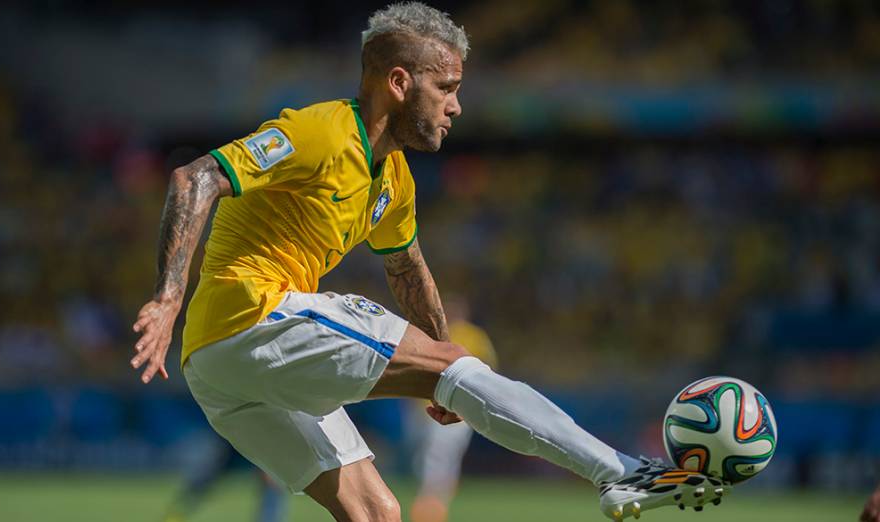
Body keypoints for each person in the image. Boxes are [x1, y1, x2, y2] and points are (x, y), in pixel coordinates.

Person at [130, 3, 729, 520]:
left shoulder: (393, 178)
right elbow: (195, 177)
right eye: (446, 88)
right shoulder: (319, 132)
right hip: (252, 317)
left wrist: (445, 370)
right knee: (449, 367)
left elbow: (407, 269)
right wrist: (168, 296)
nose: (457, 106)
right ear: (398, 82)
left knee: (378, 512)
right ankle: (618, 471)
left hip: (221, 374)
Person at [408, 295, 497, 522]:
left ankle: (433, 503)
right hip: (424, 407)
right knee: (425, 456)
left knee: (440, 456)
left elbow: (487, 370)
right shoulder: (430, 333)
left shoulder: (473, 336)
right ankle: (433, 498)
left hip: (458, 408)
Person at [162, 433, 286, 522]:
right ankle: (177, 515)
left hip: (261, 435)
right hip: (234, 434)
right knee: (206, 476)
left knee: (271, 482)